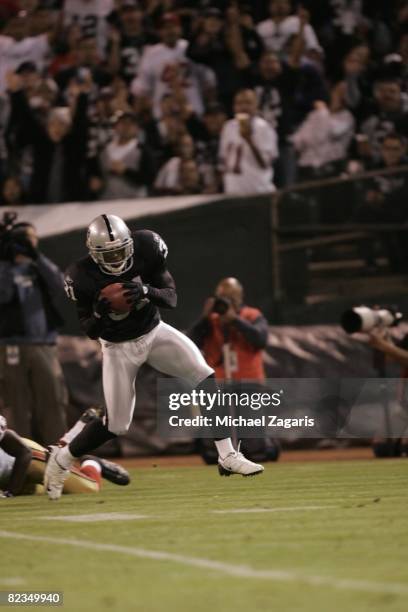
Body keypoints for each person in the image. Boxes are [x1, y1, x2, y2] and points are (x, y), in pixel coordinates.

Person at [44, 214, 264, 500]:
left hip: (153, 332)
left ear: (130, 244)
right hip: (117, 347)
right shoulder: (80, 275)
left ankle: (227, 455)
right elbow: (89, 329)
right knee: (117, 425)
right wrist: (101, 310)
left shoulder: (147, 246)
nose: (115, 257)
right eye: (107, 253)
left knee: (204, 375)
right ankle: (62, 458)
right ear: (93, 253)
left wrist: (145, 291)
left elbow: (171, 297)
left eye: (120, 250)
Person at [0, 220, 68, 445]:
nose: (29, 243)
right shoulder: (5, 268)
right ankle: (20, 456)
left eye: (32, 239)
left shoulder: (38, 267)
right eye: (25, 240)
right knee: (16, 404)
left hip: (43, 344)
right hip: (11, 345)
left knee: (52, 401)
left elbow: (60, 285)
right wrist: (6, 260)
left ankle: (58, 454)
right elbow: (3, 294)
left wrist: (36, 256)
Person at [0, 409, 130, 497]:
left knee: (89, 488)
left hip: (28, 461)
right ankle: (73, 433)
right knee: (45, 491)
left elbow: (24, 452)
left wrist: (11, 492)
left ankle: (92, 463)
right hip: (8, 476)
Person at [190, 277, 268, 381]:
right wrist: (204, 317)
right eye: (222, 297)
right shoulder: (211, 320)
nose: (227, 302)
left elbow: (260, 341)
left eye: (231, 297)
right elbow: (191, 344)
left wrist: (235, 320)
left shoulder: (252, 315)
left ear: (240, 297)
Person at [219, 88, 278, 193]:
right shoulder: (228, 127)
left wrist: (249, 140)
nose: (243, 107)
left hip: (258, 190)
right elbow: (224, 160)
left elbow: (265, 163)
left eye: (248, 103)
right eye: (239, 103)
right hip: (233, 191)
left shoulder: (264, 128)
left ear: (256, 105)